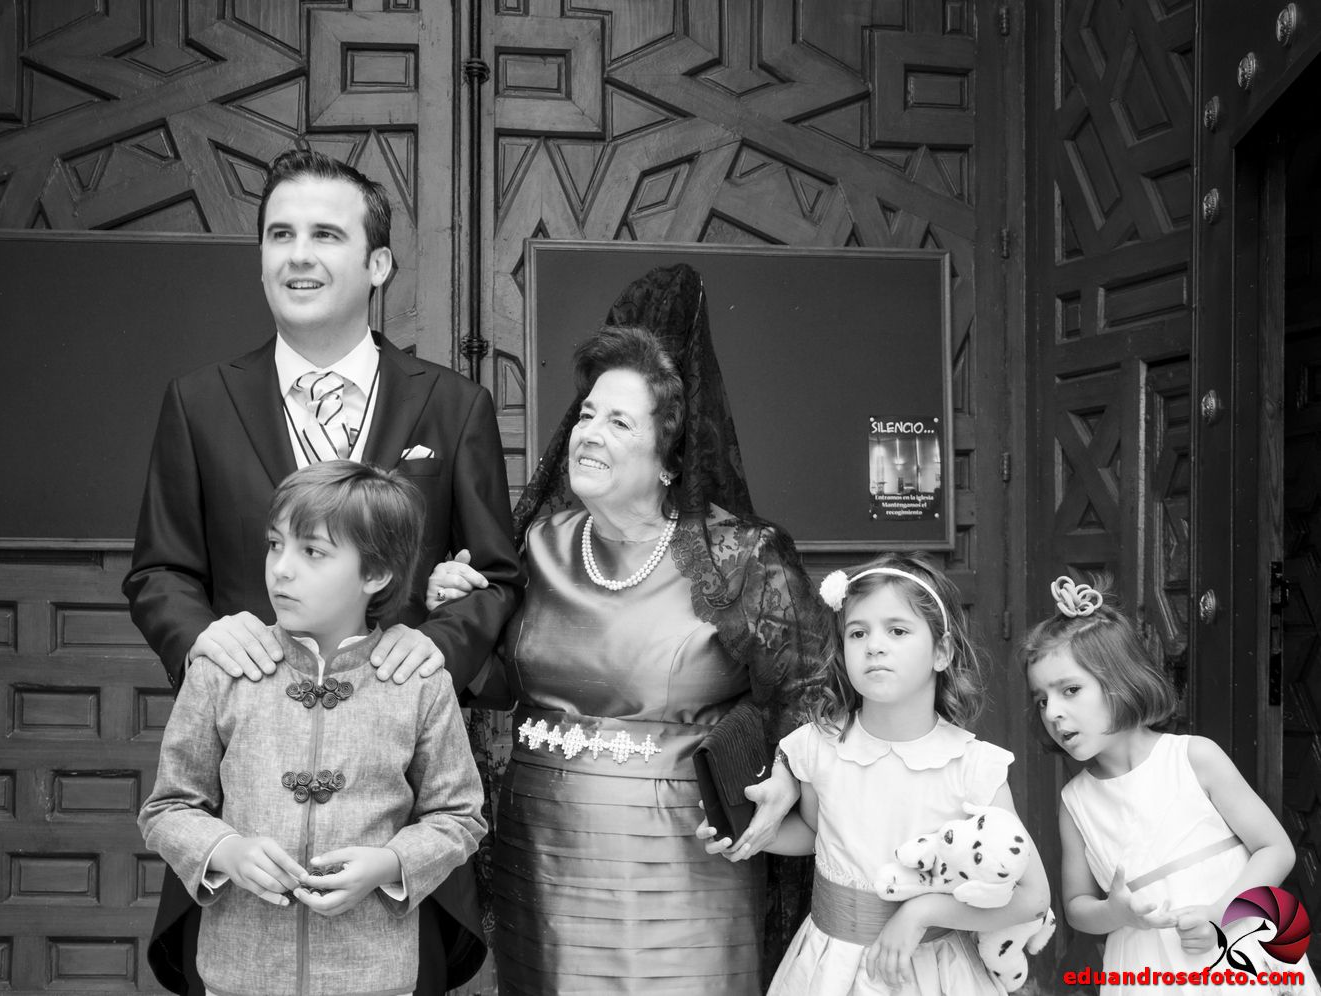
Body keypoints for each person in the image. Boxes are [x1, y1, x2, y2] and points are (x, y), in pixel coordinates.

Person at [124, 148, 522, 995]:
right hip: (248, 799)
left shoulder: (452, 407)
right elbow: (159, 570)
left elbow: (495, 574)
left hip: (390, 800)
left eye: (325, 235)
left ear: (377, 264)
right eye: (280, 234)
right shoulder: (198, 400)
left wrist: (433, 654)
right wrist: (212, 649)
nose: (297, 255)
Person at [427, 264, 824, 994]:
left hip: (686, 873)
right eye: (585, 415)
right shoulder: (536, 545)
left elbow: (813, 687)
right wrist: (456, 611)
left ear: (671, 457)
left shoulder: (739, 557)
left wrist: (789, 779)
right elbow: (497, 686)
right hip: (541, 863)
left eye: (618, 421)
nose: (589, 434)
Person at [138, 461, 487, 996]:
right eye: (275, 545)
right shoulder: (222, 671)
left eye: (312, 552)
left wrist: (390, 863)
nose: (281, 568)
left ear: (375, 573)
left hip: (373, 973)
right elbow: (167, 809)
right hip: (241, 971)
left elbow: (459, 816)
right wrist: (226, 851)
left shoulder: (417, 683)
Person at [750, 554, 1051, 995]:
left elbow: (1033, 896)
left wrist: (921, 912)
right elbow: (817, 834)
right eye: (858, 633)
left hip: (932, 972)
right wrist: (752, 834)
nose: (874, 645)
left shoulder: (971, 766)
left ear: (942, 652)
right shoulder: (820, 747)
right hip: (832, 968)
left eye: (897, 630)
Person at [1025, 576, 1317, 995]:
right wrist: (1116, 912)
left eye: (1070, 690)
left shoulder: (1193, 758)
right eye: (1042, 700)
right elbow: (1077, 908)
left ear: (1120, 682)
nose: (1053, 712)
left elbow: (1276, 850)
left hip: (1234, 946)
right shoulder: (1076, 802)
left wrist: (1220, 913)